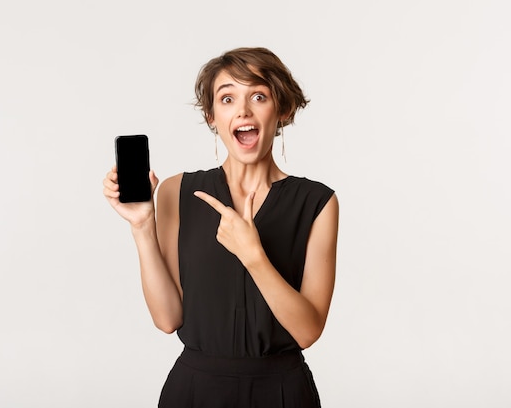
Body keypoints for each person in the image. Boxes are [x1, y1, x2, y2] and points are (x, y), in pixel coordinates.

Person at [103, 47, 339, 408]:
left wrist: (253, 255)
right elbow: (167, 319)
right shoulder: (175, 191)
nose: (243, 110)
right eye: (227, 98)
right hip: (196, 391)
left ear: (283, 109)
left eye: (258, 96)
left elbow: (308, 332)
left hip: (283, 392)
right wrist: (141, 227)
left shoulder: (318, 202)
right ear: (212, 117)